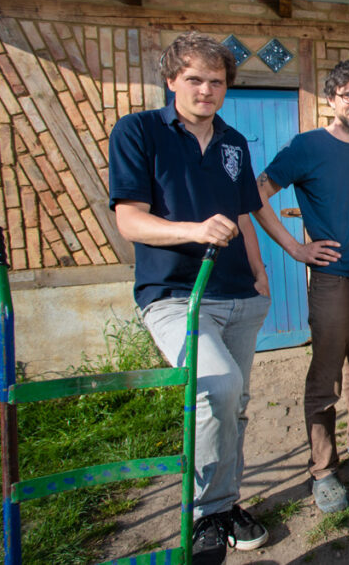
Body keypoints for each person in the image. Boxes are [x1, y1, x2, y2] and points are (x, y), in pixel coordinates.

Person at [108, 31, 271, 564]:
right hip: (175, 292)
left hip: (237, 293)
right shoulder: (138, 132)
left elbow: (245, 213)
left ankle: (225, 505)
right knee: (216, 387)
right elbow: (129, 219)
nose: (206, 89)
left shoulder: (232, 142)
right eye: (195, 79)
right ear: (172, 80)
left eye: (217, 81)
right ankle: (203, 514)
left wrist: (259, 270)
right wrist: (194, 230)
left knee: (235, 403)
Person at [252, 59, 349, 515]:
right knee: (326, 376)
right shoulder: (308, 146)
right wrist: (296, 249)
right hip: (333, 279)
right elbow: (257, 191)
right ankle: (322, 469)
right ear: (332, 99)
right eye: (348, 95)